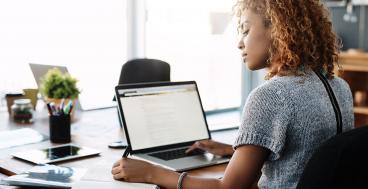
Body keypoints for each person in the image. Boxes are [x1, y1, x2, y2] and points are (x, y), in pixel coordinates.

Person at [111, 0, 354, 188]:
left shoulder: (272, 96)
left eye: (246, 30)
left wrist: (151, 172)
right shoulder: (337, 86)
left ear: (279, 30)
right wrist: (234, 150)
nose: (239, 42)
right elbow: (304, 156)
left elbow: (227, 187)